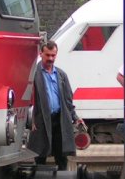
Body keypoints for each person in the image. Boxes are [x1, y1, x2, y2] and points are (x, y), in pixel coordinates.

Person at [28, 41, 85, 170]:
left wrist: (75, 117)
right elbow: (27, 100)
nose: (50, 58)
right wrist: (29, 120)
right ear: (40, 53)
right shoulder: (33, 74)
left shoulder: (61, 75)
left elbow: (68, 100)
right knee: (40, 154)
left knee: (62, 155)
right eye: (47, 55)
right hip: (41, 120)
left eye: (53, 55)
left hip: (60, 119)